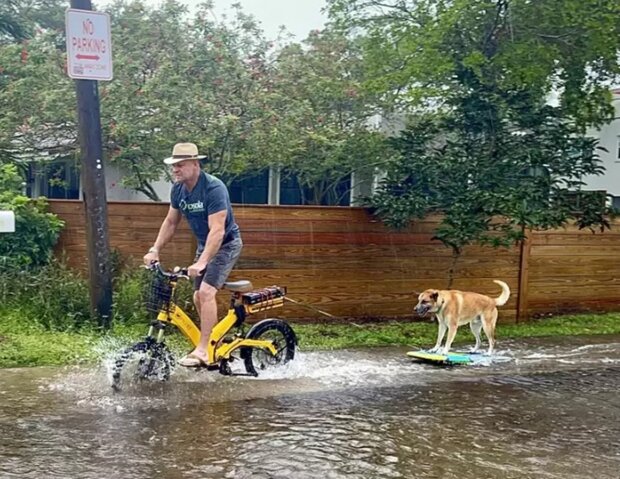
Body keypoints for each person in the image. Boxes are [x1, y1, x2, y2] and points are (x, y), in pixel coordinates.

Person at [143, 142, 243, 367]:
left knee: (206, 293)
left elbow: (217, 230)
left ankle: (205, 350)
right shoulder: (178, 190)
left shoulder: (213, 188)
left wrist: (203, 261)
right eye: (173, 165)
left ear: (195, 164)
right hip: (204, 243)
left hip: (226, 243)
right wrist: (155, 249)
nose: (175, 169)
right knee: (197, 296)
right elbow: (170, 222)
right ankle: (211, 341)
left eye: (180, 165)